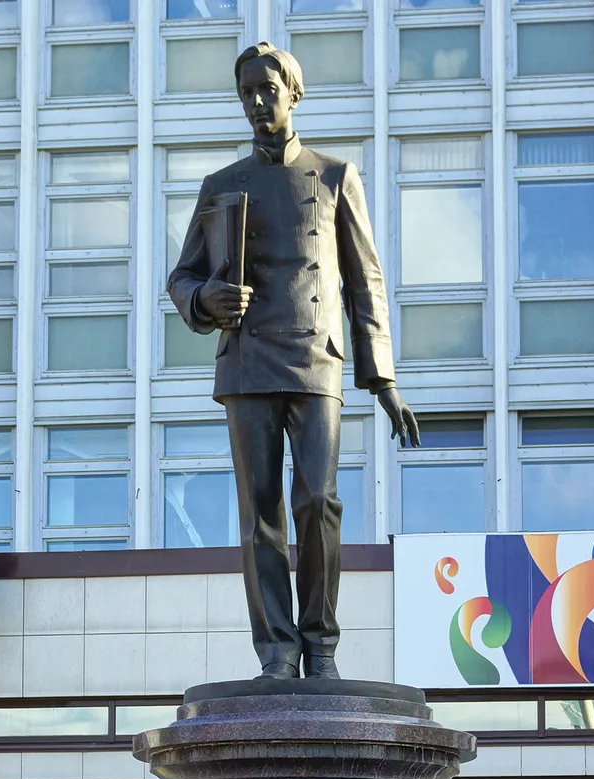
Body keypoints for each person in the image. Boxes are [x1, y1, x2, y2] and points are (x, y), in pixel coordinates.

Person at [168, 42, 420, 680]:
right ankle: (276, 651)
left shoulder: (335, 176)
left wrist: (382, 378)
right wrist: (206, 298)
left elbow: (365, 282)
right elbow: (182, 278)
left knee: (318, 501)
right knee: (260, 513)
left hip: (317, 359)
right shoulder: (221, 186)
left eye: (267, 90)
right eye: (246, 92)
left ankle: (322, 644)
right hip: (247, 360)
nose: (256, 103)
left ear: (293, 93)